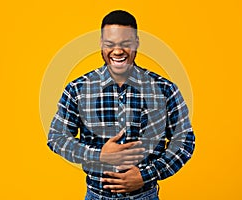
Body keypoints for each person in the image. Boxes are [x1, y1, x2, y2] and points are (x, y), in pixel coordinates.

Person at [47, 10, 195, 200]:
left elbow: (184, 142)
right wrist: (98, 155)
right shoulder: (78, 89)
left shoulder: (165, 89)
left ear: (136, 43)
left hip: (145, 196)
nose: (117, 51)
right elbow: (56, 137)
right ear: (101, 44)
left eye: (125, 44)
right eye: (110, 44)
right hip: (96, 195)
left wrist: (146, 175)